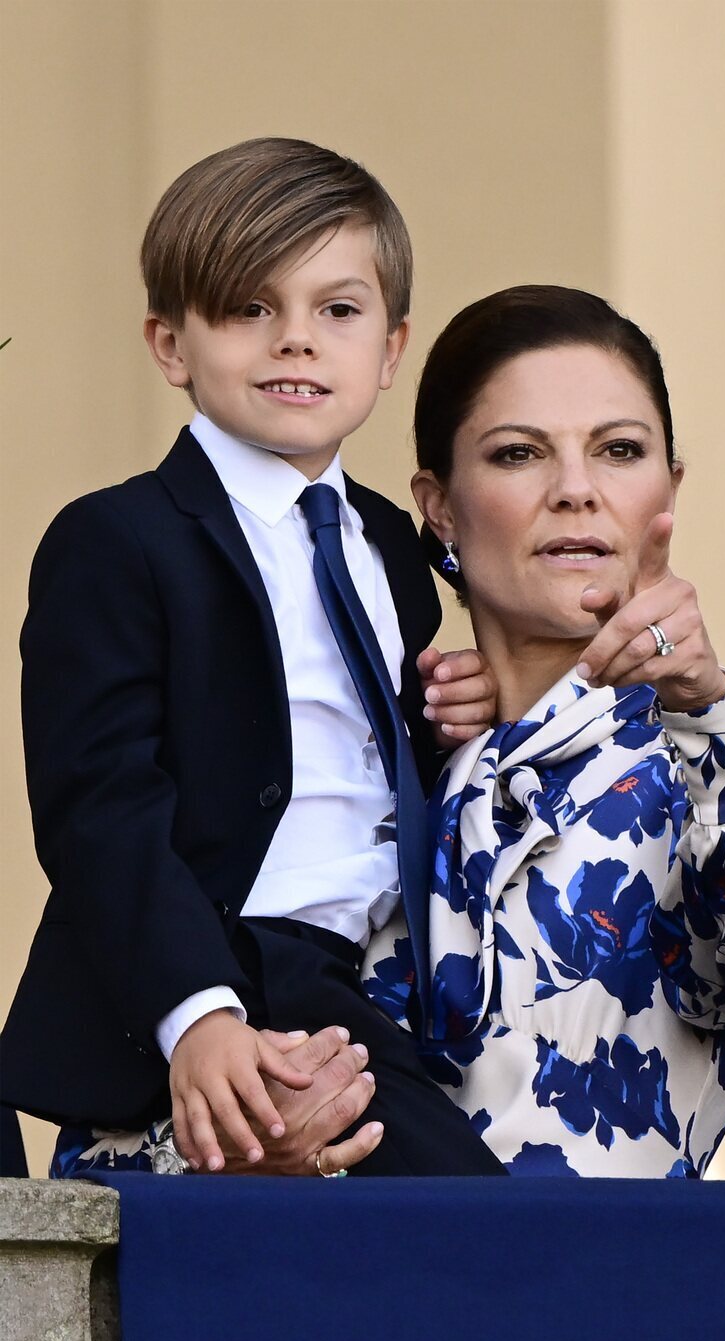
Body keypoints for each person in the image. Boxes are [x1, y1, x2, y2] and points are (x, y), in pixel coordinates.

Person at [1, 138, 507, 1180]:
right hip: (230, 964)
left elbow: (364, 745)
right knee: (482, 1236)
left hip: (377, 979)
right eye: (247, 308)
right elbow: (99, 802)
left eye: (337, 311)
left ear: (391, 346)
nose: (296, 342)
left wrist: (462, 712)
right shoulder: (119, 539)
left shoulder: (389, 547)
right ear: (170, 344)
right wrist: (198, 1016)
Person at [362, 285, 725, 1178]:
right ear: (439, 507)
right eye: (520, 453)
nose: (576, 491)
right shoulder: (390, 747)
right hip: (336, 1295)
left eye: (619, 451)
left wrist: (705, 709)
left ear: (668, 492)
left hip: (605, 1300)